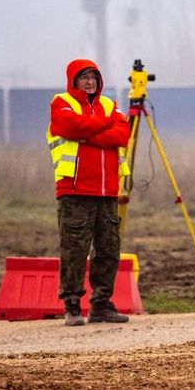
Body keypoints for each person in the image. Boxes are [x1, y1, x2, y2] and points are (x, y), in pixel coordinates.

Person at [47, 58, 132, 326]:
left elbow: (121, 134)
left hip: (107, 191)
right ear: (74, 81)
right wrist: (103, 125)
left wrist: (89, 134)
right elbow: (70, 128)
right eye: (84, 77)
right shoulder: (61, 103)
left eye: (94, 77)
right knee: (74, 249)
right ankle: (72, 305)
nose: (90, 81)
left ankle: (101, 305)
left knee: (108, 249)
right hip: (75, 190)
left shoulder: (109, 105)